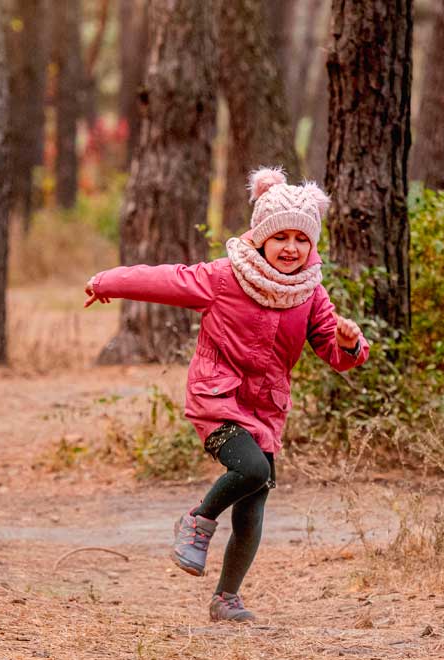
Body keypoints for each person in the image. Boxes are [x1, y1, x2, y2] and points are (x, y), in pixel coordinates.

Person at [83, 167, 369, 622]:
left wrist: (351, 344)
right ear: (260, 237)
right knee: (251, 467)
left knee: (255, 502)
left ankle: (226, 598)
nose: (291, 248)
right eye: (281, 238)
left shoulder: (310, 293)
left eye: (301, 239)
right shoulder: (224, 277)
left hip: (265, 409)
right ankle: (197, 520)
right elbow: (165, 279)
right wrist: (107, 281)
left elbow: (334, 352)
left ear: (312, 245)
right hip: (217, 400)